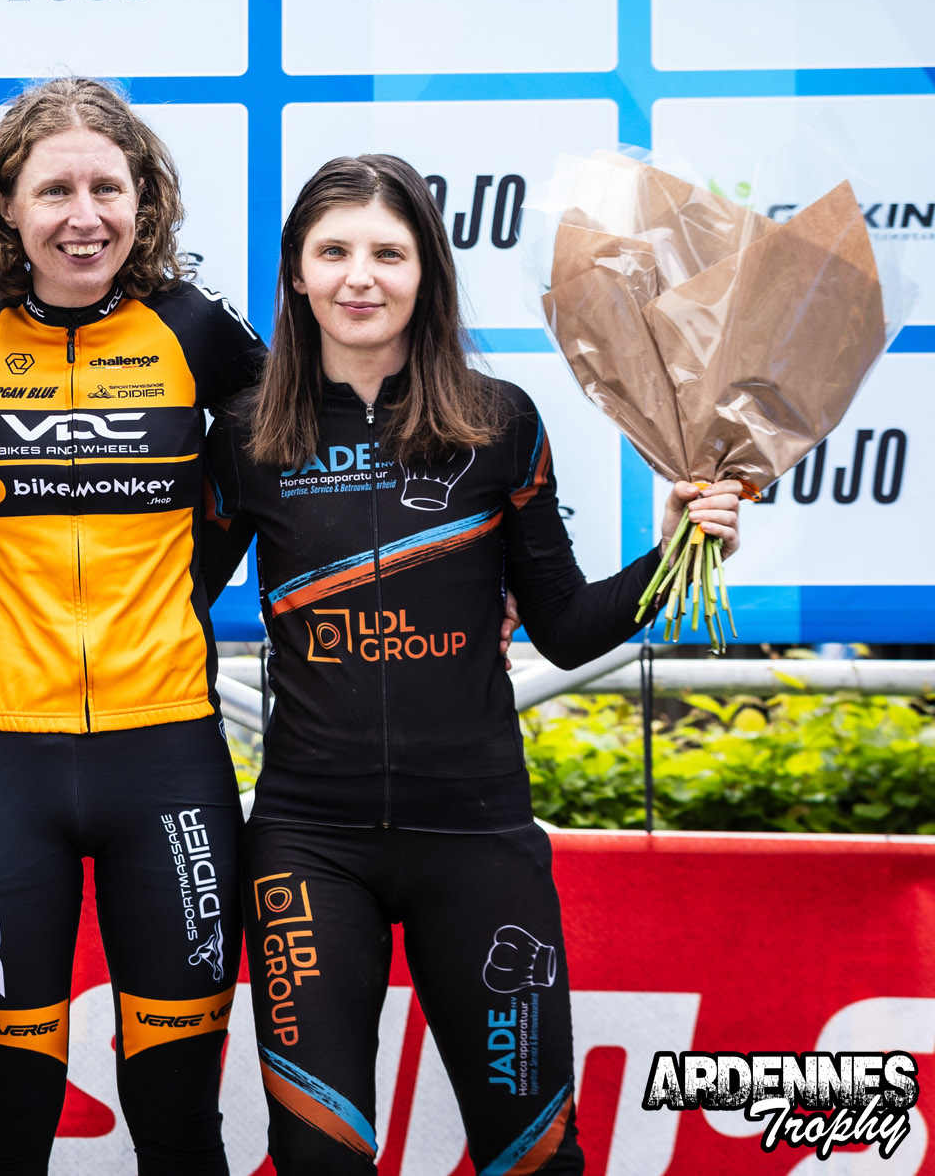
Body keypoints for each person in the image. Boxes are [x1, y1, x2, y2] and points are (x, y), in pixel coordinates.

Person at [208, 154, 742, 1175]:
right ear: (296, 273)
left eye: (387, 252)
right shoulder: (246, 436)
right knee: (317, 1160)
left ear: (427, 273)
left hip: (477, 839)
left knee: (531, 1159)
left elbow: (565, 626)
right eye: (333, 251)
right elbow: (156, 599)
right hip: (308, 844)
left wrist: (678, 548)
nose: (359, 277)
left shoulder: (497, 423)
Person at [0, 77, 267, 1175]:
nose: (84, 215)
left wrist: (476, 565)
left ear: (145, 202)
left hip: (168, 756)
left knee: (178, 1118)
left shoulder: (197, 329)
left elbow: (321, 441)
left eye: (108, 187)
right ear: (4, 206)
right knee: (6, 1121)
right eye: (54, 190)